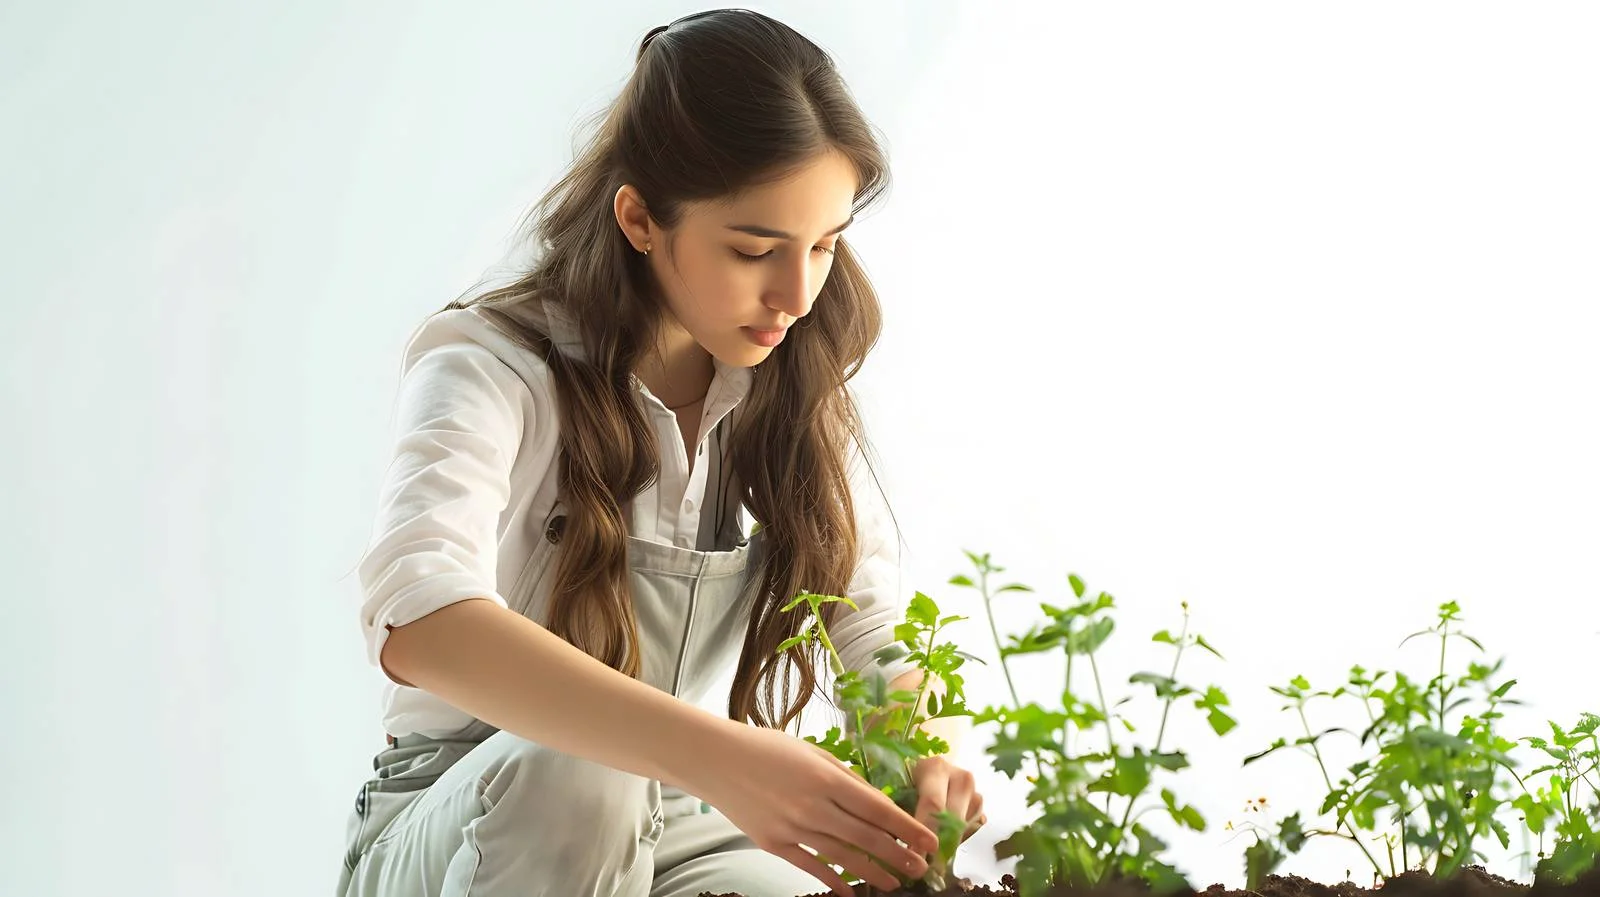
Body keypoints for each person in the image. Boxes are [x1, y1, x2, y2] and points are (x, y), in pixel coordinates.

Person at [337, 9, 986, 897]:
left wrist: (923, 754)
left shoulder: (787, 386)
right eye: (754, 249)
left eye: (825, 246)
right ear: (641, 218)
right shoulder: (490, 362)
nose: (796, 294)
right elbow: (420, 617)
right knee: (581, 769)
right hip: (453, 824)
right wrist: (726, 756)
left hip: (679, 819)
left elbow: (864, 618)